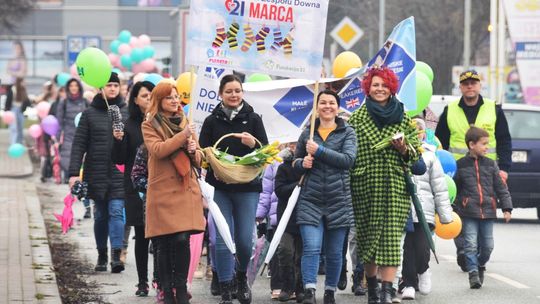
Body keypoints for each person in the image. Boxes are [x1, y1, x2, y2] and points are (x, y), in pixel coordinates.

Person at [348, 66, 421, 304]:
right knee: (368, 241)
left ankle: (387, 292)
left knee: (390, 240)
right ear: (368, 87)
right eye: (375, 85)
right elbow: (350, 153)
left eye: (384, 85)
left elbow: (415, 157)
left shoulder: (403, 115)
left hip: (394, 186)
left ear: (392, 89)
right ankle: (372, 290)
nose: (379, 89)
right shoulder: (357, 118)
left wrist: (404, 149)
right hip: (365, 186)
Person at [199, 74, 268, 304]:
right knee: (221, 239)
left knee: (244, 240)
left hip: (248, 187)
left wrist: (253, 144)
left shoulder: (254, 119)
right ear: (220, 94)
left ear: (242, 93)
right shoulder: (211, 121)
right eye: (228, 91)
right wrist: (203, 155)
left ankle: (241, 278)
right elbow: (202, 154)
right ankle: (226, 288)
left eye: (237, 90)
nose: (233, 95)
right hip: (220, 186)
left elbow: (265, 152)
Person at [435, 69, 512, 271]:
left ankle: (477, 256)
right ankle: (464, 250)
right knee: (459, 211)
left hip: (486, 171)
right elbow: (440, 142)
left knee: (482, 212)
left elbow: (504, 140)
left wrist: (504, 168)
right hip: (455, 173)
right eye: (466, 83)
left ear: (480, 86)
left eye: (473, 83)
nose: (470, 86)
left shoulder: (493, 109)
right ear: (460, 87)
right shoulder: (450, 110)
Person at [142, 81, 205, 304]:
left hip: (184, 188)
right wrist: (183, 136)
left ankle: (181, 287)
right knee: (164, 242)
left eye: (177, 97)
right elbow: (158, 150)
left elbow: (199, 159)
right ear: (159, 101)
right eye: (169, 97)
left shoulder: (186, 122)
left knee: (182, 239)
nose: (175, 101)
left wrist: (193, 150)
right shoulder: (149, 124)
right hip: (162, 191)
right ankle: (166, 290)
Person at [293, 89, 357, 304]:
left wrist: (319, 151)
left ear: (337, 107)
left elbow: (348, 160)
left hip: (339, 200)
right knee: (311, 246)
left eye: (331, 102)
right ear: (317, 107)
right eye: (322, 102)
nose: (327, 106)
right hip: (310, 199)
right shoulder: (307, 133)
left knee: (334, 251)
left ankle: (329, 291)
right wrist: (302, 163)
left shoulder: (348, 132)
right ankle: (309, 290)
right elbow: (294, 162)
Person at [68, 72, 127, 273]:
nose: (112, 88)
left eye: (115, 85)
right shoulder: (89, 114)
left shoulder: (126, 112)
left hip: (120, 172)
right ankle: (102, 254)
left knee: (117, 211)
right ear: (100, 88)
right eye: (108, 85)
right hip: (96, 171)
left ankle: (116, 256)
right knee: (101, 215)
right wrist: (74, 173)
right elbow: (79, 145)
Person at [400, 118, 453, 300]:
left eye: (419, 131)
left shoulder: (430, 155)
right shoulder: (398, 152)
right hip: (403, 210)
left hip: (424, 211)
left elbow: (439, 186)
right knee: (406, 249)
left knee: (422, 247)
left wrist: (445, 215)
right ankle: (408, 283)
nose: (415, 134)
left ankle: (424, 270)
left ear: (423, 134)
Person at [453, 126, 512, 289]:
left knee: (488, 246)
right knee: (470, 243)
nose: (487, 147)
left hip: (488, 211)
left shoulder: (491, 165)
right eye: (484, 144)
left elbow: (501, 188)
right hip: (468, 212)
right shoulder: (460, 165)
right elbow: (454, 189)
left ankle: (480, 264)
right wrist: (454, 208)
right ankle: (473, 272)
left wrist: (507, 208)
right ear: (472, 145)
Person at [112, 81, 155, 296]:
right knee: (142, 234)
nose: (148, 98)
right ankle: (142, 282)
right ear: (136, 100)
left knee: (161, 237)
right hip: (136, 187)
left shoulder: (162, 122)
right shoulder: (129, 126)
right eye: (144, 95)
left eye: (151, 95)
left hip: (161, 186)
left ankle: (159, 279)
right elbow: (119, 159)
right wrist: (118, 141)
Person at [274, 142, 304, 302]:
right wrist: (297, 185)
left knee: (302, 255)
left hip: (305, 216)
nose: (295, 146)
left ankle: (300, 287)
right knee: (285, 251)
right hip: (287, 217)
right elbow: (279, 190)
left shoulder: (310, 166)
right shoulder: (283, 167)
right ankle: (287, 285)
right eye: (292, 143)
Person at [256, 148, 281, 300]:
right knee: (276, 251)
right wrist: (260, 212)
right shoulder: (274, 160)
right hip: (274, 214)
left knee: (294, 251)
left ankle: (296, 285)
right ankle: (277, 285)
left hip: (296, 214)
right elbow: (266, 190)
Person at [57, 79, 89, 184]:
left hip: (83, 133)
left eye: (76, 85)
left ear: (79, 87)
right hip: (68, 134)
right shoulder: (64, 102)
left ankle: (82, 177)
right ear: (68, 88)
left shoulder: (85, 101)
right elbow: (59, 121)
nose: (74, 88)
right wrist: (57, 137)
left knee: (83, 156)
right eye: (71, 86)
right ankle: (69, 176)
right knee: (67, 156)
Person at [4, 77, 31, 144]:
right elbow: (8, 101)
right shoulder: (13, 89)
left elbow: (27, 102)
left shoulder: (23, 90)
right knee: (14, 128)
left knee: (20, 127)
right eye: (23, 82)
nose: (24, 83)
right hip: (13, 109)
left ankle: (19, 143)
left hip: (20, 110)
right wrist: (7, 110)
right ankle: (14, 143)